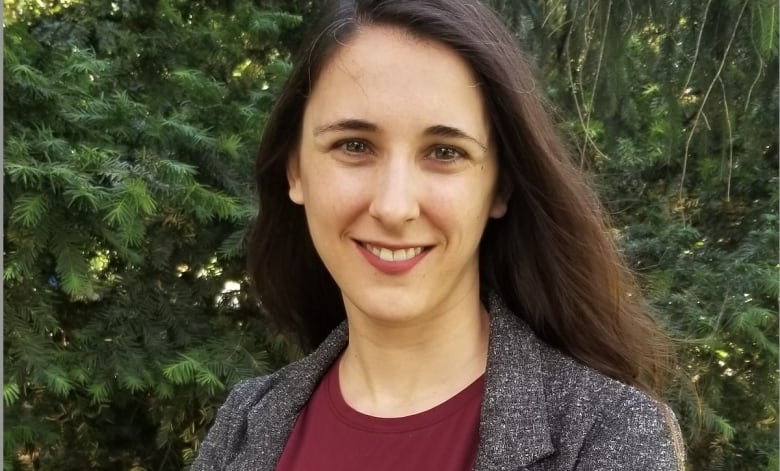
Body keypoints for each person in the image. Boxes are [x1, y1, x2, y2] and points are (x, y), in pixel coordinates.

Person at [192, 0, 685, 469]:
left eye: (445, 152)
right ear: (295, 170)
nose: (394, 206)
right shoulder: (244, 424)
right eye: (355, 145)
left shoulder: (604, 431)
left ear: (500, 185)